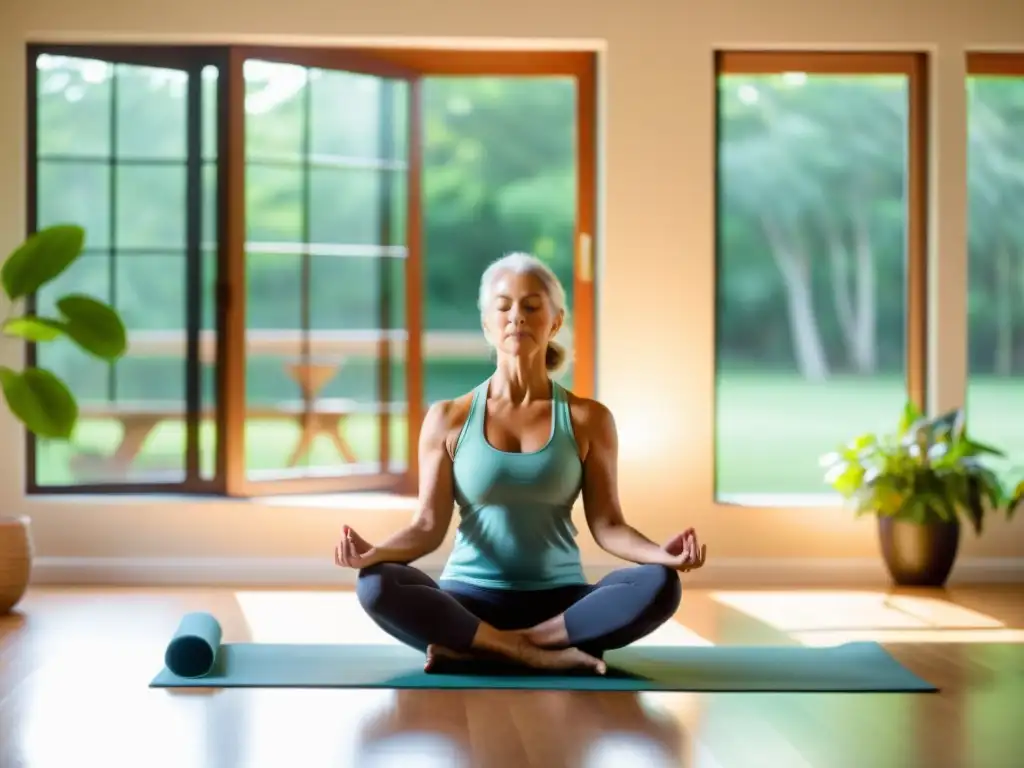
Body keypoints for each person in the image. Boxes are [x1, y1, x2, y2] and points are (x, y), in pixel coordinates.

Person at [334, 252, 707, 675]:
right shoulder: (448, 418)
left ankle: (491, 648)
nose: (517, 316)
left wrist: (661, 555)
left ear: (555, 321)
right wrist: (375, 552)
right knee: (377, 583)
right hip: (468, 602)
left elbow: (609, 525)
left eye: (531, 306)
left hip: (560, 605)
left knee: (659, 584)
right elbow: (426, 527)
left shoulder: (589, 419)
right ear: (486, 324)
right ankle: (528, 652)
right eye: (504, 305)